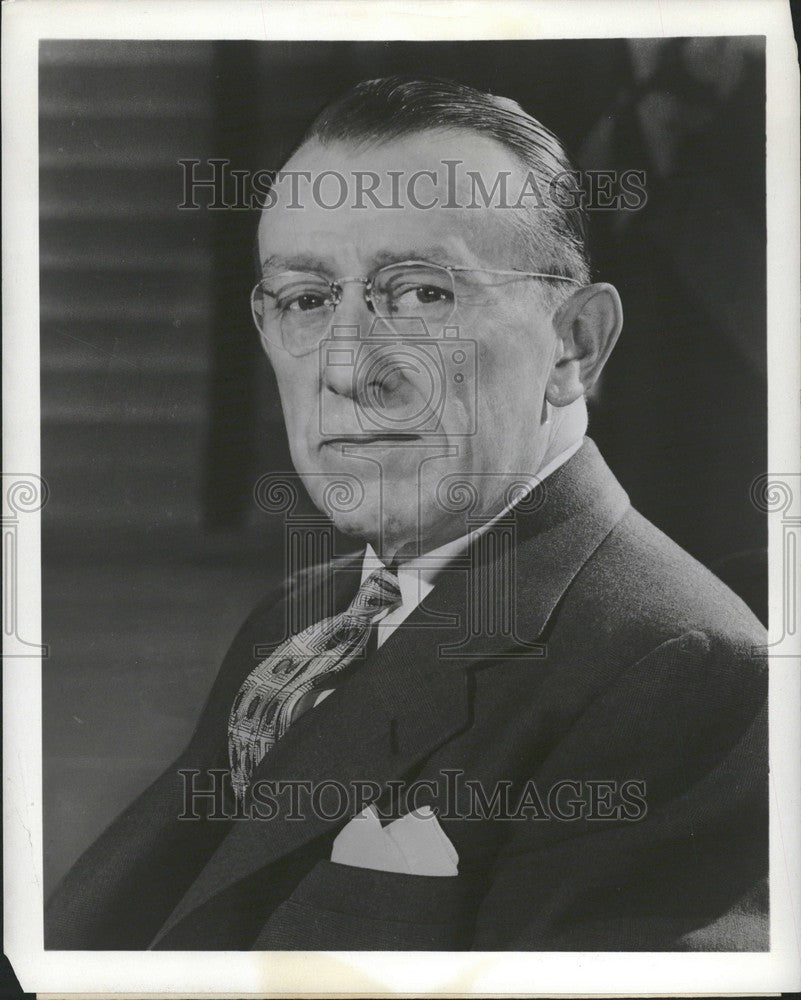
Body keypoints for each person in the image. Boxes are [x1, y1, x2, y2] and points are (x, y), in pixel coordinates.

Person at [46, 76, 768, 951]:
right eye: (308, 301)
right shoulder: (302, 617)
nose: (349, 368)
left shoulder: (678, 675)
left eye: (422, 293)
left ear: (574, 345)